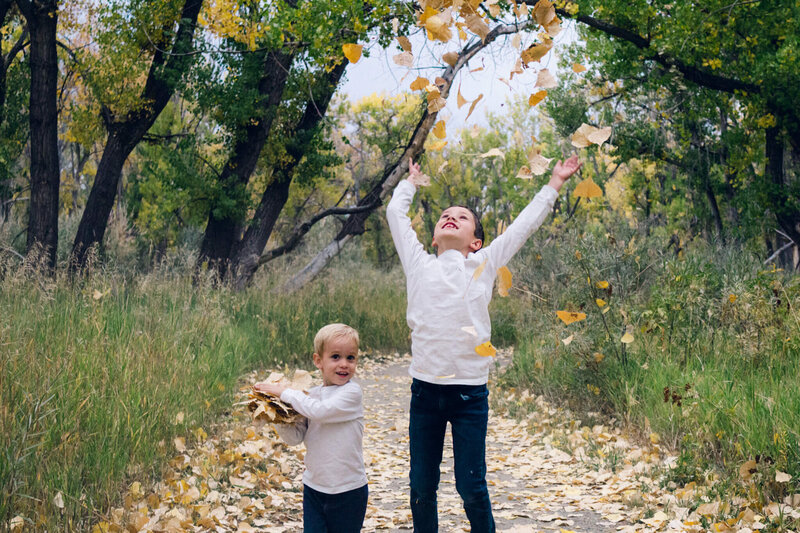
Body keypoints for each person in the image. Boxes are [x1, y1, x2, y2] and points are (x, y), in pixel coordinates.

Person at [385, 155, 582, 532]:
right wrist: (409, 183)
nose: (451, 217)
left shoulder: (484, 263)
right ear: (433, 237)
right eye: (446, 214)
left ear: (476, 241)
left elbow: (522, 227)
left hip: (469, 396)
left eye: (461, 216)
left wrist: (554, 183)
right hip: (424, 392)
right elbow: (396, 213)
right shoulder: (419, 263)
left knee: (470, 486)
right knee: (421, 486)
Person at [255, 323, 367, 533]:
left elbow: (320, 411)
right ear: (318, 361)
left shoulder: (352, 394)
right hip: (315, 488)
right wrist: (277, 414)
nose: (344, 364)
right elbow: (296, 437)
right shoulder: (310, 396)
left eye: (350, 358)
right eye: (335, 357)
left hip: (349, 491)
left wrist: (286, 392)